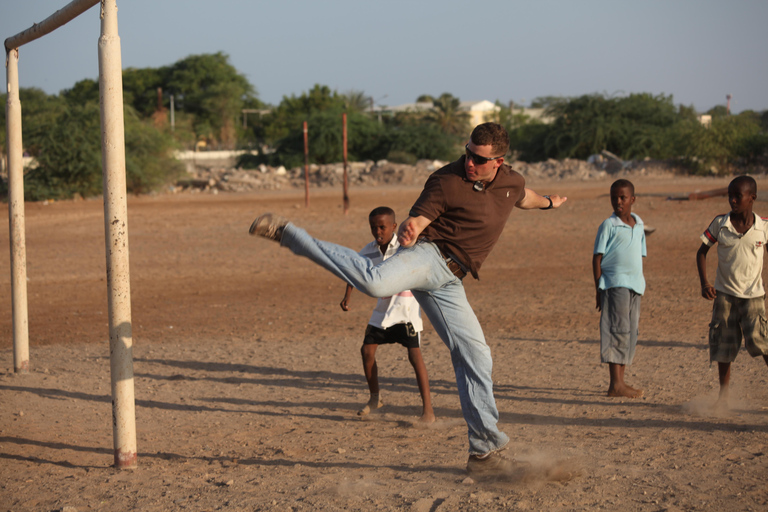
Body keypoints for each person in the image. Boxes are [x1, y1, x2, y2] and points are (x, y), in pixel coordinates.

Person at [249, 122, 567, 479]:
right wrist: (412, 226)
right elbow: (420, 216)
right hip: (427, 258)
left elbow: (525, 197)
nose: (469, 162)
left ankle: (483, 453)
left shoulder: (511, 182)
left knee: (476, 354)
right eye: (467, 153)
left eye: (478, 158)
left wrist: (550, 203)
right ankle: (289, 234)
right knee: (375, 282)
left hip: (451, 281)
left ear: (498, 161)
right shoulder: (446, 180)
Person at [339, 206, 435, 423]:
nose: (378, 232)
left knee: (414, 357)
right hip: (382, 310)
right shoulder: (369, 250)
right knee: (367, 351)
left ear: (393, 226)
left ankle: (428, 410)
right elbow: (353, 269)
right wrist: (347, 296)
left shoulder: (405, 246)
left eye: (382, 227)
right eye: (374, 227)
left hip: (406, 310)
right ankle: (375, 398)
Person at [696, 175, 768, 405]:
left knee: (762, 343)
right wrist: (705, 283)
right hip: (724, 296)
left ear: (752, 198)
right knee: (723, 346)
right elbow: (701, 252)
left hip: (754, 296)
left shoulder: (763, 227)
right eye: (730, 196)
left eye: (738, 196)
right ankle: (723, 397)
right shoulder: (720, 224)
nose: (733, 200)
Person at [592, 179, 646, 399]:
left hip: (635, 285)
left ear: (632, 199)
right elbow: (597, 258)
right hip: (615, 284)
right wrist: (598, 288)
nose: (618, 202)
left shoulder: (640, 224)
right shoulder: (608, 225)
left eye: (623, 197)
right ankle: (616, 385)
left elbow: (639, 256)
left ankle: (620, 382)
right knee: (617, 331)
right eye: (614, 197)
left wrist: (639, 281)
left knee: (629, 332)